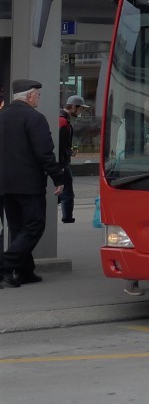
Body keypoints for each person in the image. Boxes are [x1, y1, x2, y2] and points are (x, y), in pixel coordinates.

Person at [0, 79, 66, 288]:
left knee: (19, 227)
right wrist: (58, 177)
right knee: (35, 225)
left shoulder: (2, 116)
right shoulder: (35, 118)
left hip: (5, 185)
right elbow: (44, 152)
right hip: (28, 184)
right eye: (37, 94)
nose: (38, 98)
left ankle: (25, 271)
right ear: (29, 96)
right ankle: (5, 266)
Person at [58, 93, 90, 223]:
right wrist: (62, 162)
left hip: (62, 161)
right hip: (62, 163)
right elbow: (59, 144)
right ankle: (67, 217)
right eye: (81, 109)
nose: (81, 111)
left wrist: (68, 151)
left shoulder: (63, 120)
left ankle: (66, 216)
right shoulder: (63, 121)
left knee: (64, 190)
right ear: (74, 107)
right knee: (67, 192)